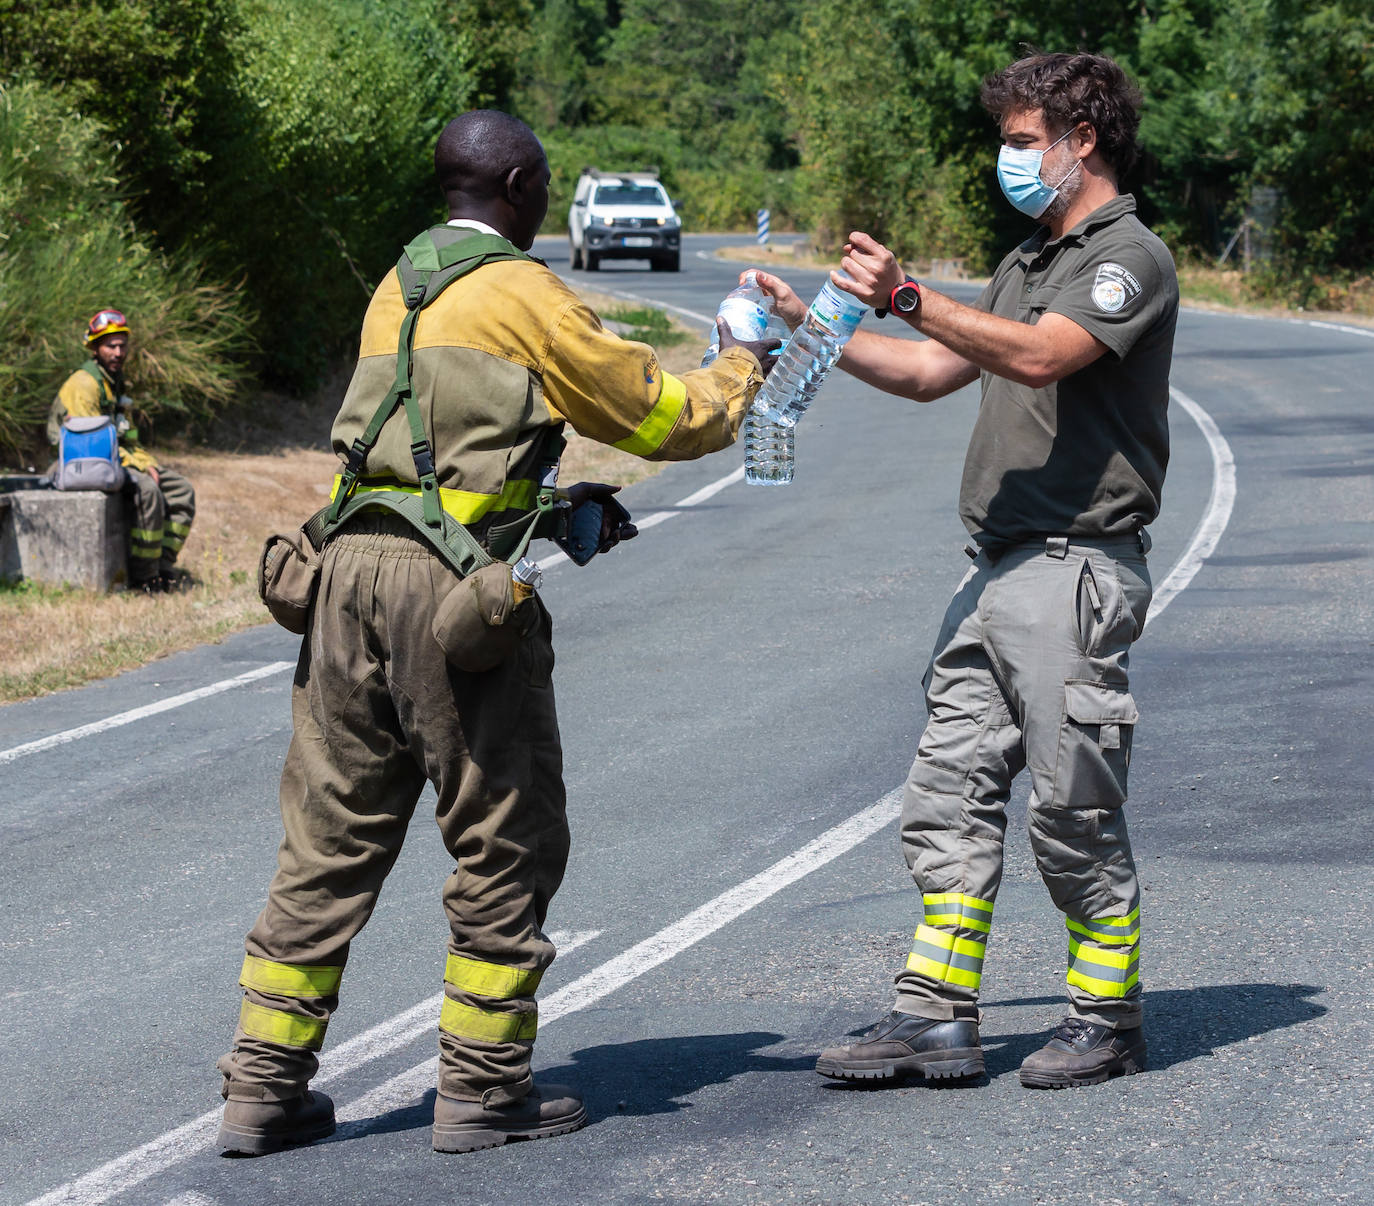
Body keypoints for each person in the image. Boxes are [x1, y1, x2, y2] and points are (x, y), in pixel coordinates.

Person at [214, 109, 775, 1157]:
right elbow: (664, 419)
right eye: (545, 186)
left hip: (342, 577)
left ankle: (259, 1090)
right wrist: (741, 358)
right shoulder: (522, 289)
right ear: (518, 185)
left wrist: (555, 507)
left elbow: (434, 453)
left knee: (326, 844)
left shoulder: (399, 284)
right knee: (502, 838)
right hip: (450, 597)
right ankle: (479, 1090)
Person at [755, 51, 1178, 1089]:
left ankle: (1104, 1017)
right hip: (992, 568)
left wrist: (905, 289)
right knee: (945, 796)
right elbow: (927, 373)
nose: (1009, 158)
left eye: (1025, 140)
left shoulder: (1129, 258)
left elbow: (1040, 357)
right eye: (1009, 140)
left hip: (1075, 567)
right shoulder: (1027, 259)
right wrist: (812, 327)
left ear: (1085, 141)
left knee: (1073, 806)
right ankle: (936, 1014)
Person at [47, 309, 197, 593]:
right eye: (109, 345)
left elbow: (126, 436)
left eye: (122, 345)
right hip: (82, 462)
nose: (117, 352)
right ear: (95, 348)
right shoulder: (84, 384)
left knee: (181, 489)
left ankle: (165, 569)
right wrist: (140, 469)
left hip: (111, 457)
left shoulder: (114, 381)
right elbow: (91, 443)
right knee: (148, 491)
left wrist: (147, 462)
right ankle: (144, 579)